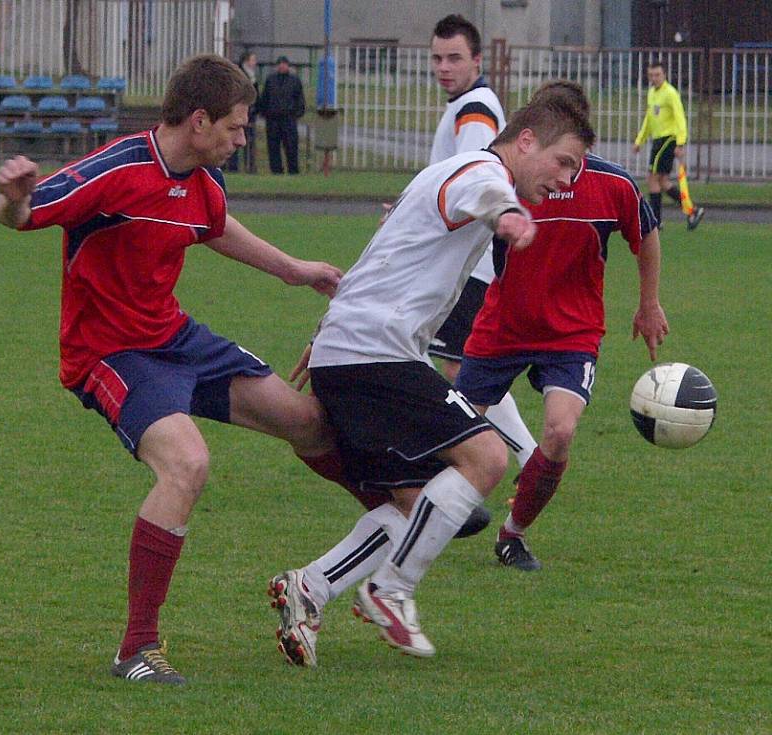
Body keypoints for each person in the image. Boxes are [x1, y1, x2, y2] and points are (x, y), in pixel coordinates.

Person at [0, 54, 344, 686]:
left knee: (310, 421)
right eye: (236, 127)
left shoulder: (205, 181)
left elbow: (214, 226)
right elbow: (25, 215)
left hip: (174, 338)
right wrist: (13, 201)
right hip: (108, 353)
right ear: (201, 120)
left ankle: (400, 519)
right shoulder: (115, 170)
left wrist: (295, 269)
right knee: (187, 463)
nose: (243, 139)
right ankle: (137, 648)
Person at [268, 95, 595, 666]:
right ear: (525, 142)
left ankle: (311, 587)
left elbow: (379, 255)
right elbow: (487, 194)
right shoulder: (481, 171)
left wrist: (326, 332)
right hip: (375, 355)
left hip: (355, 352)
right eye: (564, 162)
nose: (567, 179)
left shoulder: (447, 174)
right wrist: (510, 215)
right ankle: (390, 591)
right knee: (488, 458)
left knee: (417, 503)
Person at [457, 80, 669, 571]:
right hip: (501, 328)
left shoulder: (612, 185)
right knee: (452, 431)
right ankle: (419, 510)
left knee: (559, 432)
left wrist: (649, 304)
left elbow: (648, 235)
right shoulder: (505, 181)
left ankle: (513, 535)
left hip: (571, 335)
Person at [426, 14, 537, 472]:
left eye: (455, 58)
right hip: (468, 261)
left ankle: (527, 457)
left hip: (471, 262)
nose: (443, 67)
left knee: (457, 367)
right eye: (436, 58)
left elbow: (472, 181)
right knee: (453, 364)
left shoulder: (475, 108)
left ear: (477, 60)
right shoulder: (470, 103)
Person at [633, 60, 704, 231]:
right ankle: (693, 210)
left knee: (652, 178)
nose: (654, 78)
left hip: (668, 139)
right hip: (658, 140)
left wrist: (680, 142)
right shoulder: (652, 93)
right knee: (663, 181)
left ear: (664, 75)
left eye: (657, 75)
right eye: (651, 75)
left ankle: (656, 221)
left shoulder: (670, 93)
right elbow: (649, 119)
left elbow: (680, 118)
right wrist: (639, 140)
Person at [259, 55, 305, 174]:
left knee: (291, 147)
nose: (281, 66)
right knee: (273, 147)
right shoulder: (270, 79)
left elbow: (300, 99)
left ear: (288, 66)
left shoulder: (295, 80)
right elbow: (265, 98)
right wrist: (265, 113)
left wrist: (296, 114)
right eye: (279, 63)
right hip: (273, 120)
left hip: (289, 119)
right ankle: (276, 170)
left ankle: (293, 171)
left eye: (284, 63)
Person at [225, 51, 259, 173]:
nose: (255, 62)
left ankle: (250, 167)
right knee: (235, 140)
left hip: (250, 115)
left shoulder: (252, 76)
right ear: (246, 61)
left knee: (249, 142)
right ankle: (233, 167)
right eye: (253, 59)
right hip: (240, 115)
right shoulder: (241, 76)